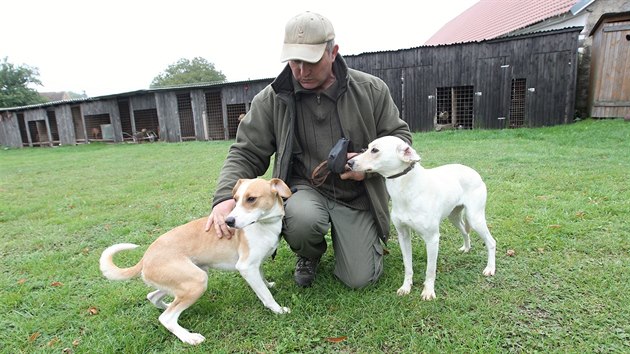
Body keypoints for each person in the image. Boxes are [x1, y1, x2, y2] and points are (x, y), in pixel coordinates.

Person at [205, 11, 411, 289]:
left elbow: (399, 139)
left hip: (357, 196)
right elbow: (246, 151)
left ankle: (360, 240)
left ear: (333, 52)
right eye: (294, 61)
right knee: (301, 220)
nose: (302, 71)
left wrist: (368, 170)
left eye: (311, 61)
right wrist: (223, 198)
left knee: (359, 279)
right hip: (304, 191)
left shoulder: (371, 89)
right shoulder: (270, 99)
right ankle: (308, 254)